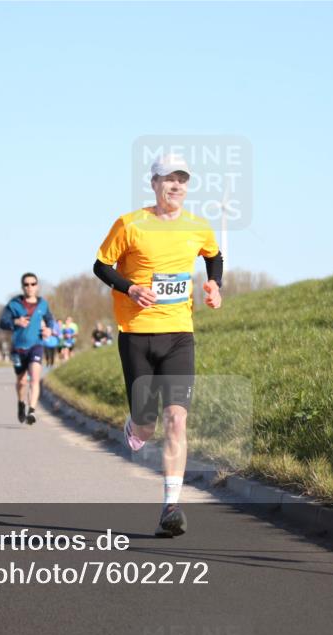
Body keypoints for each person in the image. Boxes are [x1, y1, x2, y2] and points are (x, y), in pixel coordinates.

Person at [92, 153, 223, 537]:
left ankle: (171, 506)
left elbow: (214, 256)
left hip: (180, 334)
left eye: (182, 179)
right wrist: (130, 288)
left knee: (177, 419)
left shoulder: (198, 226)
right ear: (154, 183)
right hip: (135, 333)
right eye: (168, 179)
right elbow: (101, 265)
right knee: (148, 425)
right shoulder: (130, 224)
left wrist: (214, 283)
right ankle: (136, 420)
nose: (176, 185)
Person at [0, 273, 55, 425]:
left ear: (37, 286)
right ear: (22, 286)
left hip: (36, 345)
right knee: (22, 381)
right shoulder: (14, 304)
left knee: (35, 379)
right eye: (26, 284)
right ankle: (21, 403)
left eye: (32, 284)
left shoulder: (42, 304)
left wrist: (49, 329)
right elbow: (2, 322)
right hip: (18, 347)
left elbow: (50, 319)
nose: (29, 287)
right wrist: (16, 321)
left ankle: (31, 411)